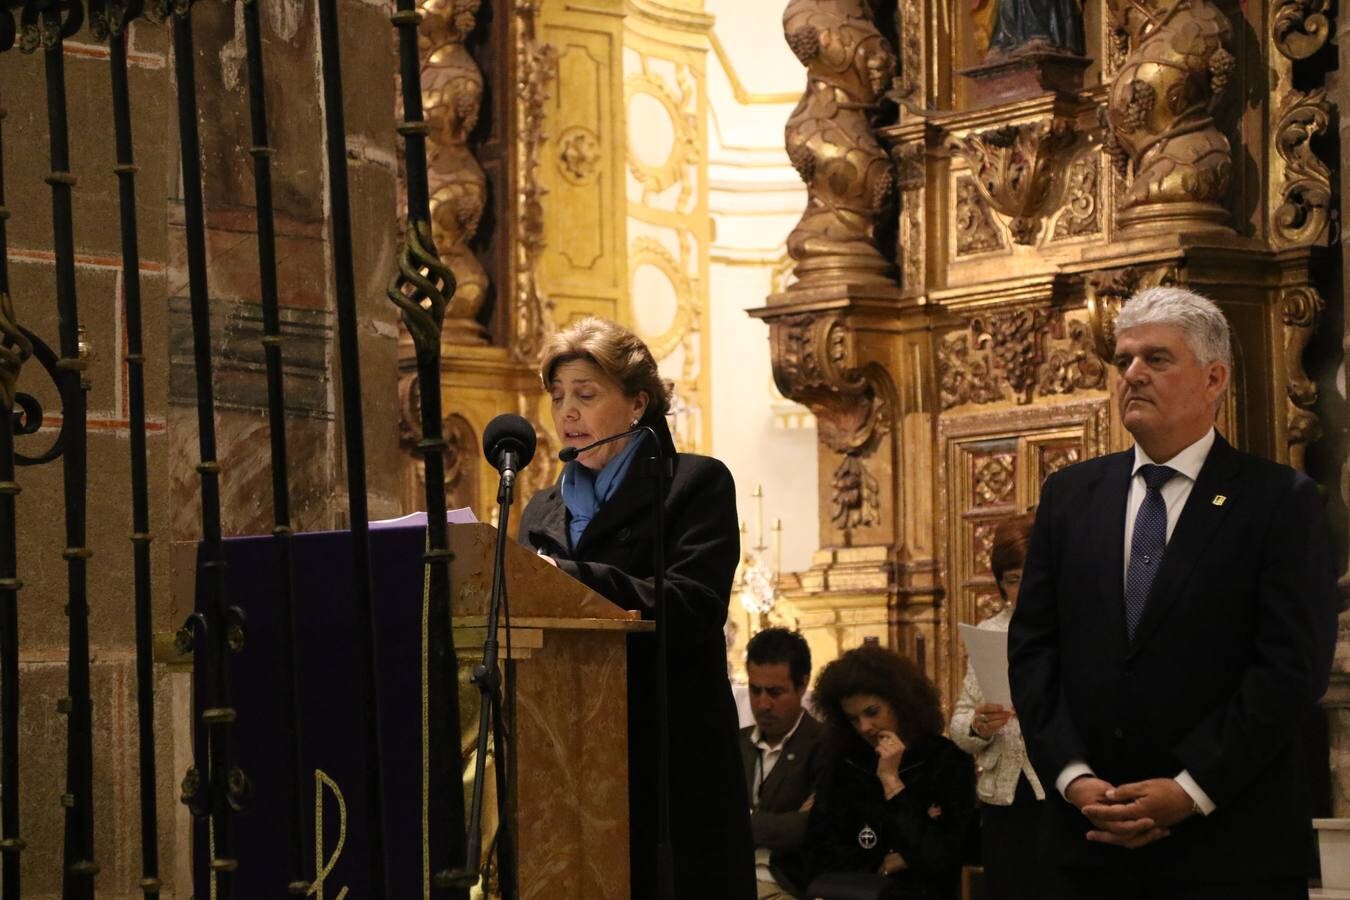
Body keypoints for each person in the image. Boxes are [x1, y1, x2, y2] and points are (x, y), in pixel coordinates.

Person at [1008, 286, 1339, 898]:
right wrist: (1075, 777)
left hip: (1228, 848)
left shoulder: (1277, 501)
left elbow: (1291, 669)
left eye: (1156, 359)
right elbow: (1033, 652)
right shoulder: (1069, 496)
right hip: (1088, 845)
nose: (1132, 373)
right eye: (1124, 359)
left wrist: (1189, 789)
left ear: (1213, 379)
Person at [516, 317, 755, 899]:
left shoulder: (693, 484)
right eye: (557, 397)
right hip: (564, 760)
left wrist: (565, 578)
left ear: (637, 403)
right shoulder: (540, 511)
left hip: (668, 754)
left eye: (586, 395)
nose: (566, 412)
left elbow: (692, 605)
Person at [805, 643, 976, 900]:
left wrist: (891, 781)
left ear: (900, 703)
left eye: (872, 712)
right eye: (853, 719)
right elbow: (820, 849)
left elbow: (946, 855)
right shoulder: (842, 762)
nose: (864, 727)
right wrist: (886, 859)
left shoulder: (946, 759)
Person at [949, 513, 1045, 899]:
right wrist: (978, 725)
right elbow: (958, 721)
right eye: (1012, 580)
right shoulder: (989, 633)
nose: (1022, 589)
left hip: (1054, 791)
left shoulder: (1071, 627)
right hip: (1002, 796)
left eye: (1030, 575)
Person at [741, 627, 828, 899]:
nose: (763, 704)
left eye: (775, 692)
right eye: (755, 691)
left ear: (802, 685)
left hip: (786, 884)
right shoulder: (736, 743)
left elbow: (810, 828)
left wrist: (743, 821)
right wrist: (779, 824)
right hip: (729, 878)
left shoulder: (823, 745)